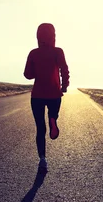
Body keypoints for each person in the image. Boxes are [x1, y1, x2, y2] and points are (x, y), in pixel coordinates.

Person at [24, 23, 70, 171]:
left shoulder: (33, 53)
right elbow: (64, 69)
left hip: (37, 95)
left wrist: (38, 70)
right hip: (54, 93)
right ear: (53, 36)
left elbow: (28, 75)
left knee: (40, 128)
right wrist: (64, 86)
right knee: (53, 113)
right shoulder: (58, 52)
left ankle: (42, 159)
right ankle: (53, 119)